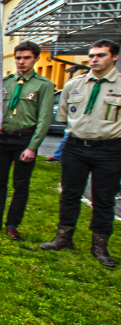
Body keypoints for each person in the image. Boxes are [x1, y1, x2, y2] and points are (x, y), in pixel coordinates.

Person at [42, 39, 121, 267]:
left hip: (109, 148)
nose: (94, 59)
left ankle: (100, 245)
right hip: (76, 146)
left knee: (104, 198)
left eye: (101, 55)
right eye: (92, 55)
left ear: (114, 57)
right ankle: (63, 237)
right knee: (69, 193)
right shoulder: (74, 84)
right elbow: (65, 115)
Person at [0, 41, 53, 238]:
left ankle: (13, 224)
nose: (21, 62)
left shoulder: (43, 85)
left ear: (36, 59)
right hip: (2, 138)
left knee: (21, 184)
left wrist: (33, 146)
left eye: (26, 58)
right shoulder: (4, 83)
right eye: (18, 58)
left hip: (24, 139)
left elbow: (44, 119)